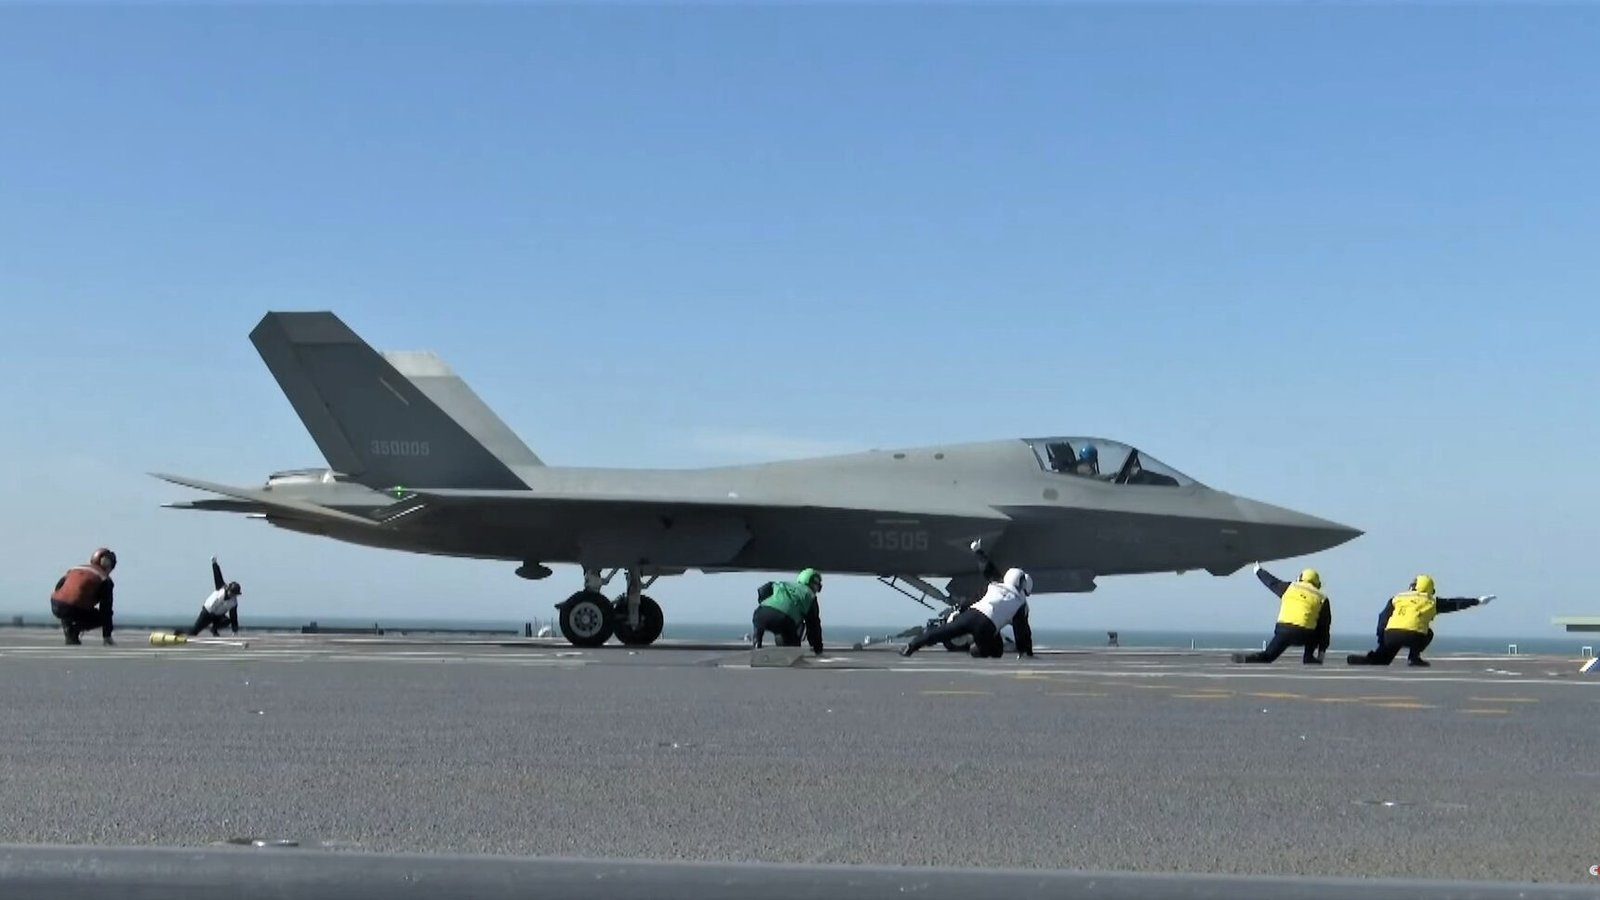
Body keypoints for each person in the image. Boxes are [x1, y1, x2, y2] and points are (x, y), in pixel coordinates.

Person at [901, 540, 1034, 658]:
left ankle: (912, 646)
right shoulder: (1020, 603)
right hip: (986, 627)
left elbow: (987, 570)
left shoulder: (995, 585)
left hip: (970, 614)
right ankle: (976, 650)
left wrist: (977, 550)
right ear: (1023, 586)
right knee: (996, 652)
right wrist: (1026, 651)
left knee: (941, 633)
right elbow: (1021, 630)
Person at [1346, 575, 1495, 667]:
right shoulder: (1431, 600)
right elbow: (1455, 603)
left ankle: (1368, 658)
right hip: (1414, 636)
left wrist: (1381, 641)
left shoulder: (1397, 597)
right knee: (1428, 633)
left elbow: (1382, 618)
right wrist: (1477, 601)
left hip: (1391, 635)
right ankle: (1414, 658)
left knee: (1383, 660)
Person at [1231, 562, 1331, 664]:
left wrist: (1258, 570)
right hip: (1304, 634)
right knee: (1318, 627)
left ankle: (1249, 659)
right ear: (1318, 583)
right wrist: (1321, 654)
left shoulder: (1289, 587)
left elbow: (1271, 582)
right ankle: (1308, 657)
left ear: (1300, 578)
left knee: (1268, 656)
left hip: (1284, 630)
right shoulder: (1322, 598)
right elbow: (1324, 629)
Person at [49, 547, 117, 646]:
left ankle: (68, 632)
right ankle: (74, 630)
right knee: (102, 617)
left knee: (66, 603)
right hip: (73, 607)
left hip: (56, 604)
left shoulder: (75, 568)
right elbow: (106, 608)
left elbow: (58, 587)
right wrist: (107, 635)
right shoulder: (105, 579)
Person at [752, 568, 824, 656]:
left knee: (760, 621)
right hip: (785, 619)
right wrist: (817, 648)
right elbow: (813, 626)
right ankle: (790, 650)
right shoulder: (810, 596)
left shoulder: (783, 584)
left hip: (761, 614)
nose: (817, 590)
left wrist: (765, 603)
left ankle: (757, 643)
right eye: (817, 586)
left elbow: (763, 590)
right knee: (792, 634)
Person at [186, 556, 243, 637]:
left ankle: (214, 629)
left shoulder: (233, 602)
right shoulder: (221, 588)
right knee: (194, 632)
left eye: (234, 594)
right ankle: (179, 634)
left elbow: (234, 616)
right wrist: (214, 563)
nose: (232, 595)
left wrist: (235, 630)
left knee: (227, 621)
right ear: (228, 589)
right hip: (207, 612)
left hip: (218, 616)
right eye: (231, 592)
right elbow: (217, 575)